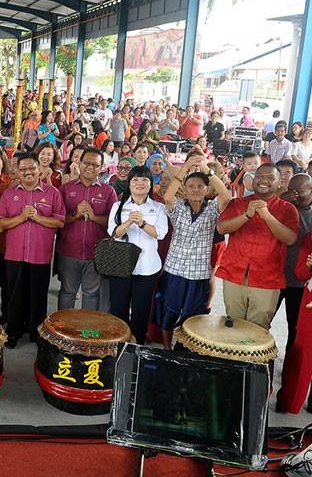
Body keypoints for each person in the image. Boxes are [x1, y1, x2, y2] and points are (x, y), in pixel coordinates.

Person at [156, 152, 231, 349]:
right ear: (184, 189)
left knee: (192, 314)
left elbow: (226, 195)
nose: (195, 190)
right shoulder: (178, 207)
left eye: (200, 186)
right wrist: (186, 167)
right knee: (169, 310)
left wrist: (206, 169)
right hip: (175, 269)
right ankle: (166, 347)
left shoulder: (212, 208)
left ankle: (184, 347)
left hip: (199, 272)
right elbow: (168, 196)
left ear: (207, 189)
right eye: (191, 186)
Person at [216, 163, 299, 329]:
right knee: (232, 325)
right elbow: (221, 228)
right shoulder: (237, 203)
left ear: (279, 183)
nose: (263, 181)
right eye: (260, 176)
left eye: (270, 178)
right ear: (253, 181)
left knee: (258, 330)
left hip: (267, 278)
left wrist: (267, 216)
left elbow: (290, 239)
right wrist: (246, 215)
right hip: (234, 273)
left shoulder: (288, 209)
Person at [0, 153, 65, 347]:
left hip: (40, 254)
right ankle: (14, 330)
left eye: (32, 168)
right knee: (15, 294)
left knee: (38, 295)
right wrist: (21, 217)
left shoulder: (52, 193)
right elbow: (0, 225)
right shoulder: (9, 194)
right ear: (17, 172)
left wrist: (37, 217)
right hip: (14, 254)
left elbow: (60, 221)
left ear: (39, 170)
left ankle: (37, 331)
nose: (28, 172)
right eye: (23, 169)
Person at [107, 166, 169, 343]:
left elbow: (160, 233)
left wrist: (142, 223)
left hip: (147, 267)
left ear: (151, 184)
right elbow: (113, 233)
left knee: (140, 310)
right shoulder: (118, 206)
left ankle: (137, 346)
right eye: (135, 180)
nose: (140, 183)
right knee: (118, 308)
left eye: (144, 180)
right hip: (121, 266)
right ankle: (118, 345)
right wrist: (128, 222)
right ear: (129, 184)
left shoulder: (158, 208)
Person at [56, 148, 117, 311]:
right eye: (86, 163)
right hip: (69, 251)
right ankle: (63, 326)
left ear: (102, 167)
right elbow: (58, 220)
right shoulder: (66, 189)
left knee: (91, 294)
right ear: (79, 163)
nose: (90, 167)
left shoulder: (108, 191)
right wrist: (76, 215)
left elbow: (114, 223)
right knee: (67, 292)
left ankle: (87, 327)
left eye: (95, 165)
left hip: (95, 253)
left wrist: (94, 217)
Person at [275, 173, 312, 352]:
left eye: (298, 191)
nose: (294, 194)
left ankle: (290, 364)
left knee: (294, 328)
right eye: (291, 190)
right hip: (275, 277)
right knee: (261, 322)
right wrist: (281, 203)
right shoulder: (282, 206)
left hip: (299, 283)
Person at [276, 234, 312, 414]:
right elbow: (300, 273)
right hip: (309, 304)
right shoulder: (310, 238)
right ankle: (289, 401)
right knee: (302, 352)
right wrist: (309, 266)